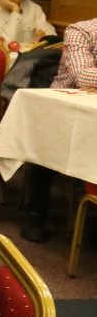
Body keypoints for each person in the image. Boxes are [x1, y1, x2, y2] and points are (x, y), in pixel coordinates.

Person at [19, 17, 97, 242]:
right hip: (62, 110)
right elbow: (84, 76)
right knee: (47, 138)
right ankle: (35, 214)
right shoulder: (80, 31)